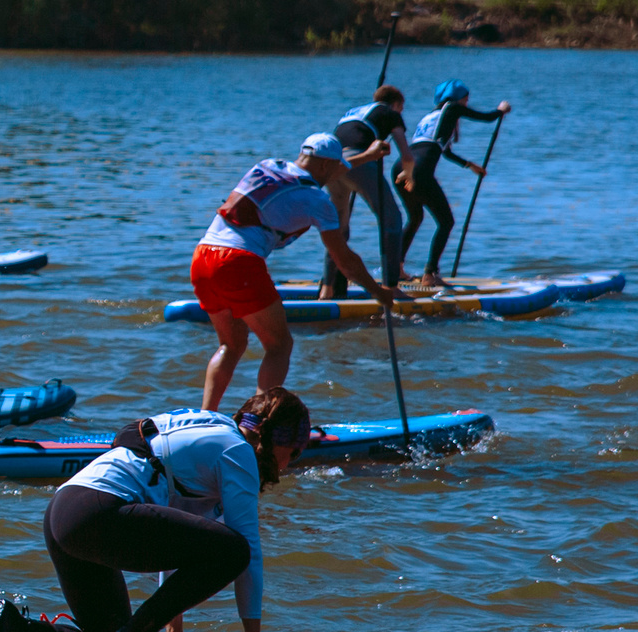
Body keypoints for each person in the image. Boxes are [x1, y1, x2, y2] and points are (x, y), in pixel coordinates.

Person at [0, 388, 312, 632]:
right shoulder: (237, 452)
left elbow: (180, 546)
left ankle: (13, 627)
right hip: (95, 513)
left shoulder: (213, 432)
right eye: (295, 451)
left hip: (65, 511)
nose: (289, 464)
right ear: (278, 439)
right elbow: (247, 552)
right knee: (235, 550)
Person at [191, 134, 396, 409]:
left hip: (203, 256)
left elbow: (320, 170)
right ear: (326, 166)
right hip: (239, 262)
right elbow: (344, 260)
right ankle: (259, 421)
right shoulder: (318, 201)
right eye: (334, 168)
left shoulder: (268, 166)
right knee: (279, 346)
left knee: (231, 344)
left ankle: (206, 415)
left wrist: (369, 156)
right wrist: (377, 292)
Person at [396, 80, 510, 282]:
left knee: (415, 218)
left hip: (401, 167)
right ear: (458, 98)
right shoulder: (453, 108)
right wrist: (501, 110)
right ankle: (430, 273)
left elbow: (444, 151)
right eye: (466, 99)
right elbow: (486, 118)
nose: (466, 103)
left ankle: (396, 269)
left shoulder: (431, 116)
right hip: (419, 170)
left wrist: (470, 165)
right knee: (446, 222)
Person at [317, 84, 407, 297]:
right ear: (396, 104)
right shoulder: (391, 113)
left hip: (333, 165)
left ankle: (327, 289)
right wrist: (408, 174)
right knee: (391, 219)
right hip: (360, 162)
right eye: (401, 109)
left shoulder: (354, 112)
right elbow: (407, 155)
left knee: (338, 229)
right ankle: (391, 287)